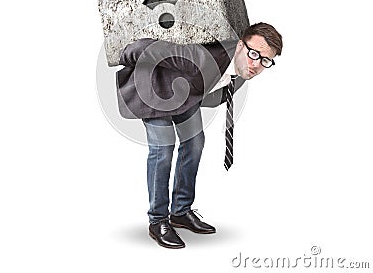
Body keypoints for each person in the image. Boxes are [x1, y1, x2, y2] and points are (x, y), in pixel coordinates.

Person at [116, 22, 283, 248]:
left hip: (185, 92)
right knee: (163, 149)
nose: (256, 64)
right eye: (253, 53)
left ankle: (181, 212)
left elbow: (215, 91)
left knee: (195, 143)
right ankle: (158, 220)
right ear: (241, 45)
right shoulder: (202, 58)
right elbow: (148, 47)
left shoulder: (244, 71)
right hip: (155, 88)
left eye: (265, 60)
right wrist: (124, 54)